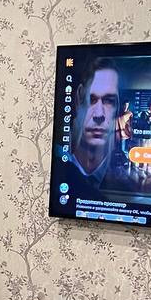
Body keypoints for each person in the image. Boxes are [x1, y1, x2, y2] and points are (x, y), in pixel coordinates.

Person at [60, 56, 120, 198]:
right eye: (91, 99)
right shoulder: (60, 164)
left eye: (109, 101)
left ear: (117, 106)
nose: (99, 114)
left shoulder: (121, 174)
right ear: (78, 99)